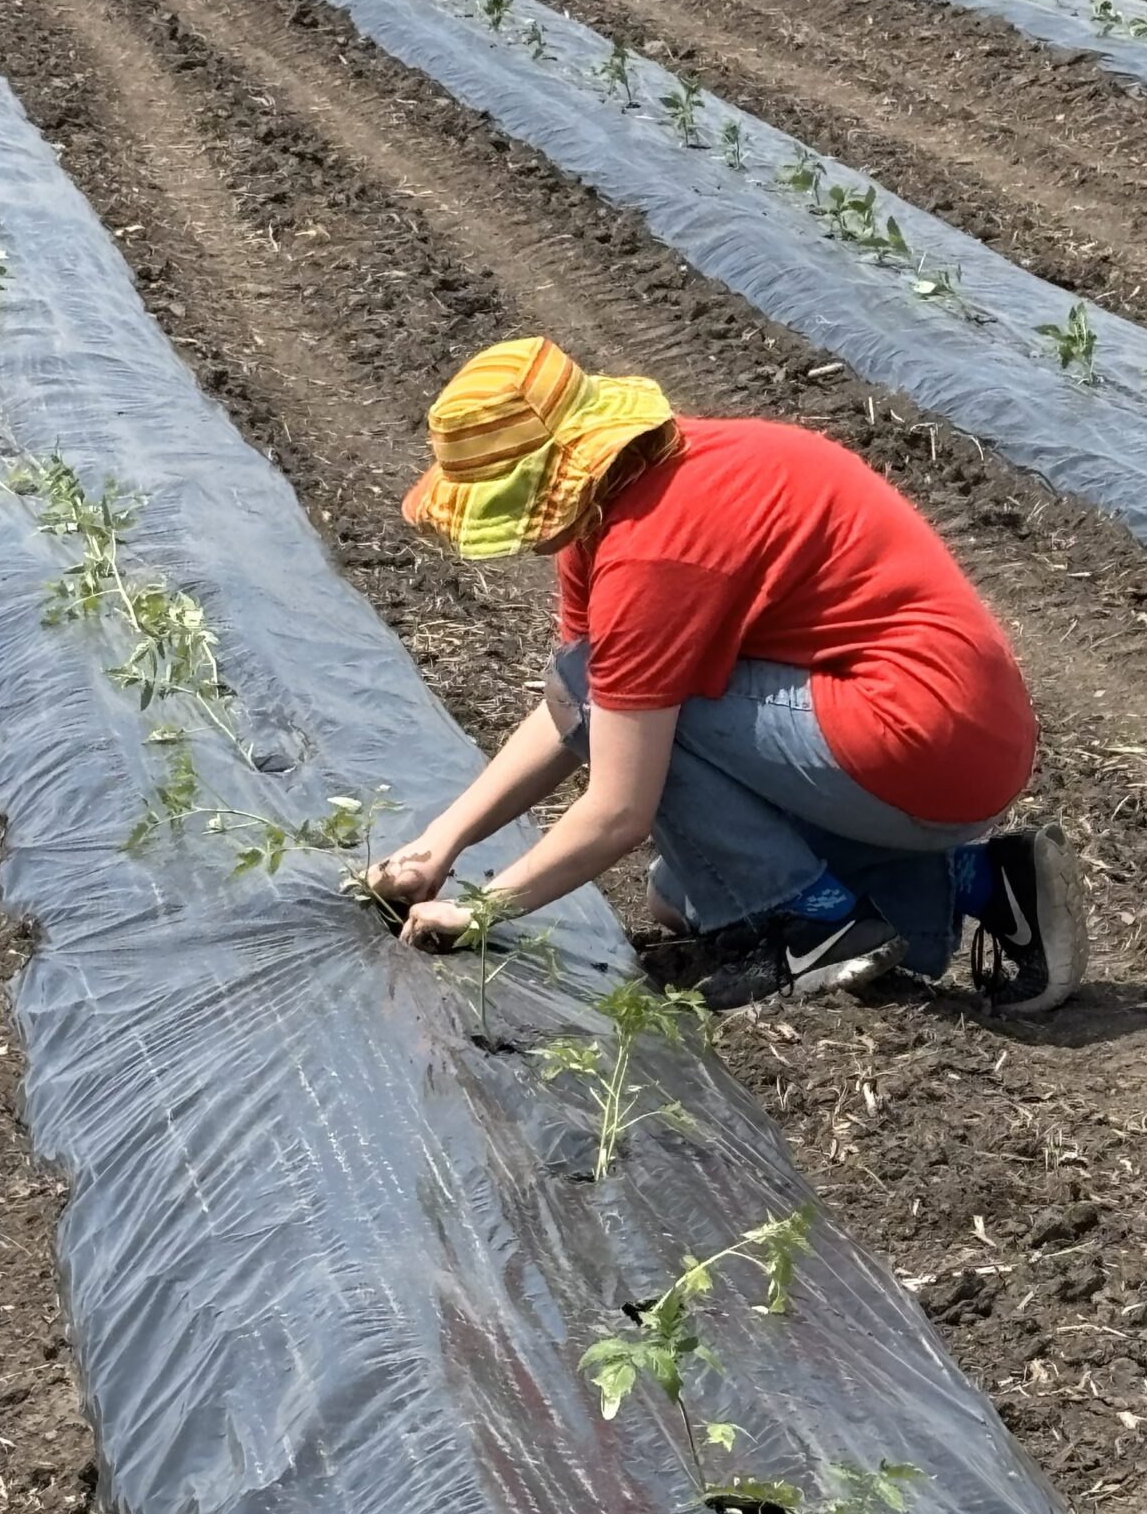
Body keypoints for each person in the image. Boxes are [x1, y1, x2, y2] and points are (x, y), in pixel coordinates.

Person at [369, 336, 1086, 1013]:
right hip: (953, 735)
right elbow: (573, 702)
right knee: (680, 897)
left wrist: (482, 909)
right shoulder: (651, 483)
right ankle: (986, 882)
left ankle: (811, 922)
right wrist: (441, 842)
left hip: (915, 739)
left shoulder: (652, 552)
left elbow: (620, 805)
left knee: (725, 866)